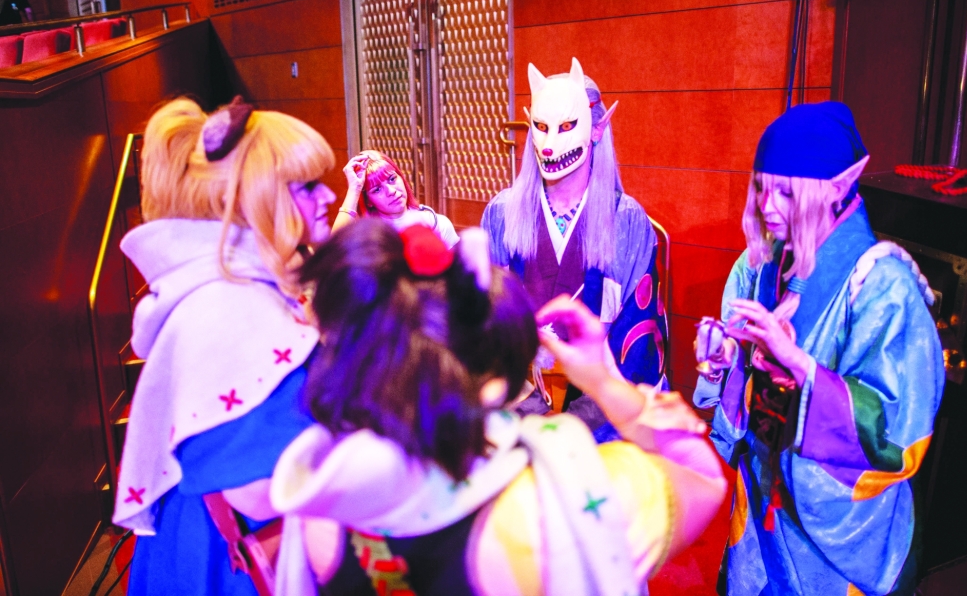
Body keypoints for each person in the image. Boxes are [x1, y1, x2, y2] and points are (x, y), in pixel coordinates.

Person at [268, 221, 727, 596]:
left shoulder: (321, 502)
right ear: (491, 389)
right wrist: (602, 379)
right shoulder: (560, 500)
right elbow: (703, 479)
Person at [692, 102, 944, 596]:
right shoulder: (770, 264)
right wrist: (729, 360)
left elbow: (899, 432)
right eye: (762, 187)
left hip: (832, 529)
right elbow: (751, 384)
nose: (767, 206)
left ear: (838, 187)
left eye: (786, 192)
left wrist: (802, 369)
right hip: (764, 503)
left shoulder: (885, 287)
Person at [112, 96, 337, 595]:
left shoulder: (238, 292)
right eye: (305, 186)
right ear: (249, 199)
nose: (328, 196)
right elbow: (259, 492)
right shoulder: (229, 309)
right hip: (230, 564)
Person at [481, 58, 667, 441]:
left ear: (597, 129)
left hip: (601, 409)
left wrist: (575, 424)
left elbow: (637, 340)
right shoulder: (501, 214)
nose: (551, 145)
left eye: (567, 127)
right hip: (515, 402)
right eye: (542, 128)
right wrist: (531, 407)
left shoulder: (627, 221)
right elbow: (484, 322)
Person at [332, 149, 459, 248]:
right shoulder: (364, 236)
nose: (391, 191)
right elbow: (334, 249)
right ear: (369, 201)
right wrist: (355, 188)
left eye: (392, 179)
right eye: (377, 189)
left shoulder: (437, 223)